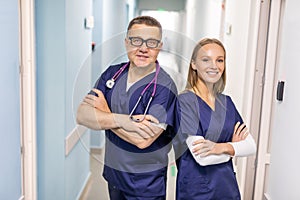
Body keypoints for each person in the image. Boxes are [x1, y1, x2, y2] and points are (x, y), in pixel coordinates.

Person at [76, 16, 177, 200]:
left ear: (160, 46)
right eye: (136, 40)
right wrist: (124, 121)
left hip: (146, 185)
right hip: (114, 176)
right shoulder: (112, 74)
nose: (143, 48)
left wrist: (104, 114)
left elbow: (142, 140)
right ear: (126, 42)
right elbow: (82, 115)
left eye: (151, 42)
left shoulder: (165, 87)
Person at [173, 38, 256, 199]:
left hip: (227, 188)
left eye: (220, 60)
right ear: (193, 64)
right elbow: (202, 157)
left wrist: (220, 147)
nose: (214, 66)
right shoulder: (185, 102)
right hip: (197, 190)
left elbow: (251, 146)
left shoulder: (227, 102)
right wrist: (234, 149)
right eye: (206, 60)